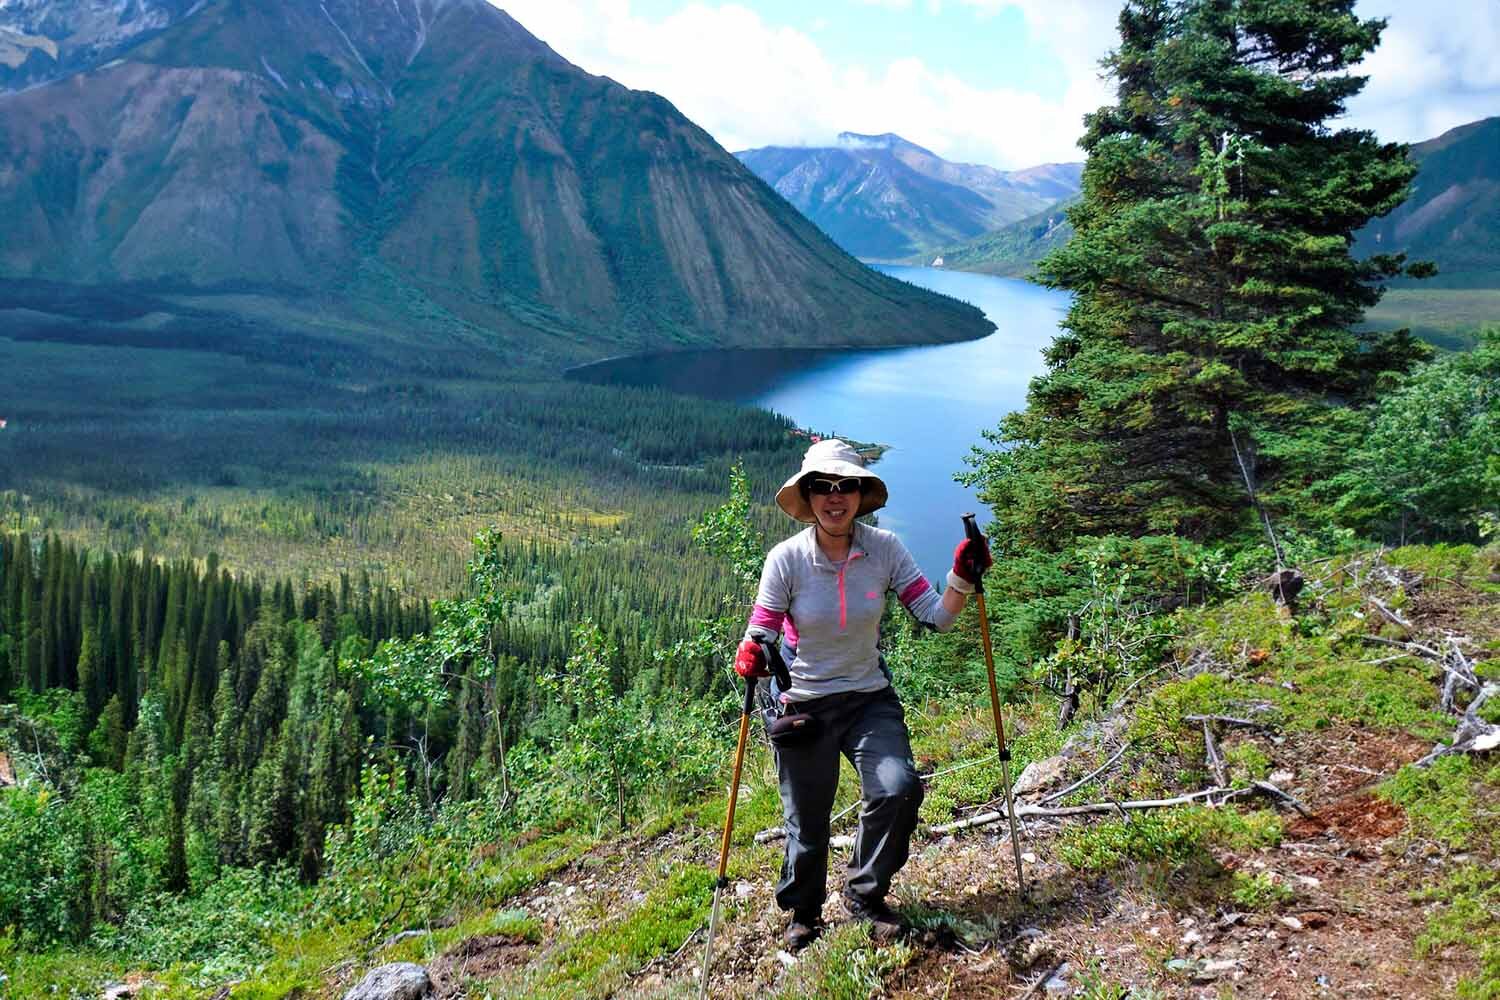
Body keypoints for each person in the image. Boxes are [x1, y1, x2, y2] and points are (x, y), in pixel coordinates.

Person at [735, 438, 991, 952]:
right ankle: (804, 914)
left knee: (898, 788)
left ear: (860, 493)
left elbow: (936, 616)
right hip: (802, 703)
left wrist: (962, 578)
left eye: (845, 485)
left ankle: (865, 896)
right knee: (806, 823)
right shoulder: (785, 560)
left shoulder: (885, 550)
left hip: (868, 698)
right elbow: (760, 632)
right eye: (822, 487)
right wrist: (753, 654)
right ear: (807, 497)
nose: (835, 496)